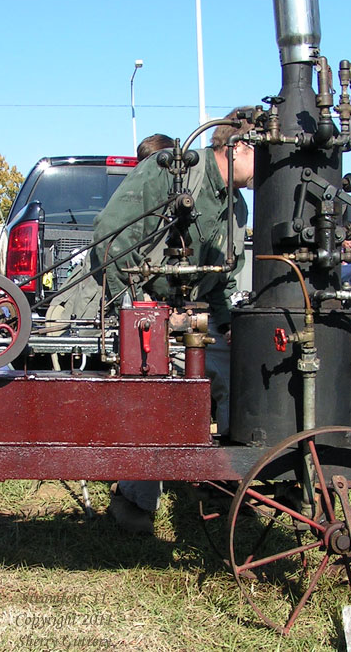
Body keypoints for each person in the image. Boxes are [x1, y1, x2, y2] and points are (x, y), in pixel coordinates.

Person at [66, 108, 255, 533]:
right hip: (125, 305)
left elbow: (221, 280)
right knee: (159, 387)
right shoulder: (169, 171)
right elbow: (111, 239)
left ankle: (227, 485)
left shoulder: (235, 207)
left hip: (184, 317)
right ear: (238, 146)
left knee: (238, 376)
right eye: (263, 150)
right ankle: (134, 502)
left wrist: (223, 326)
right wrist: (143, 312)